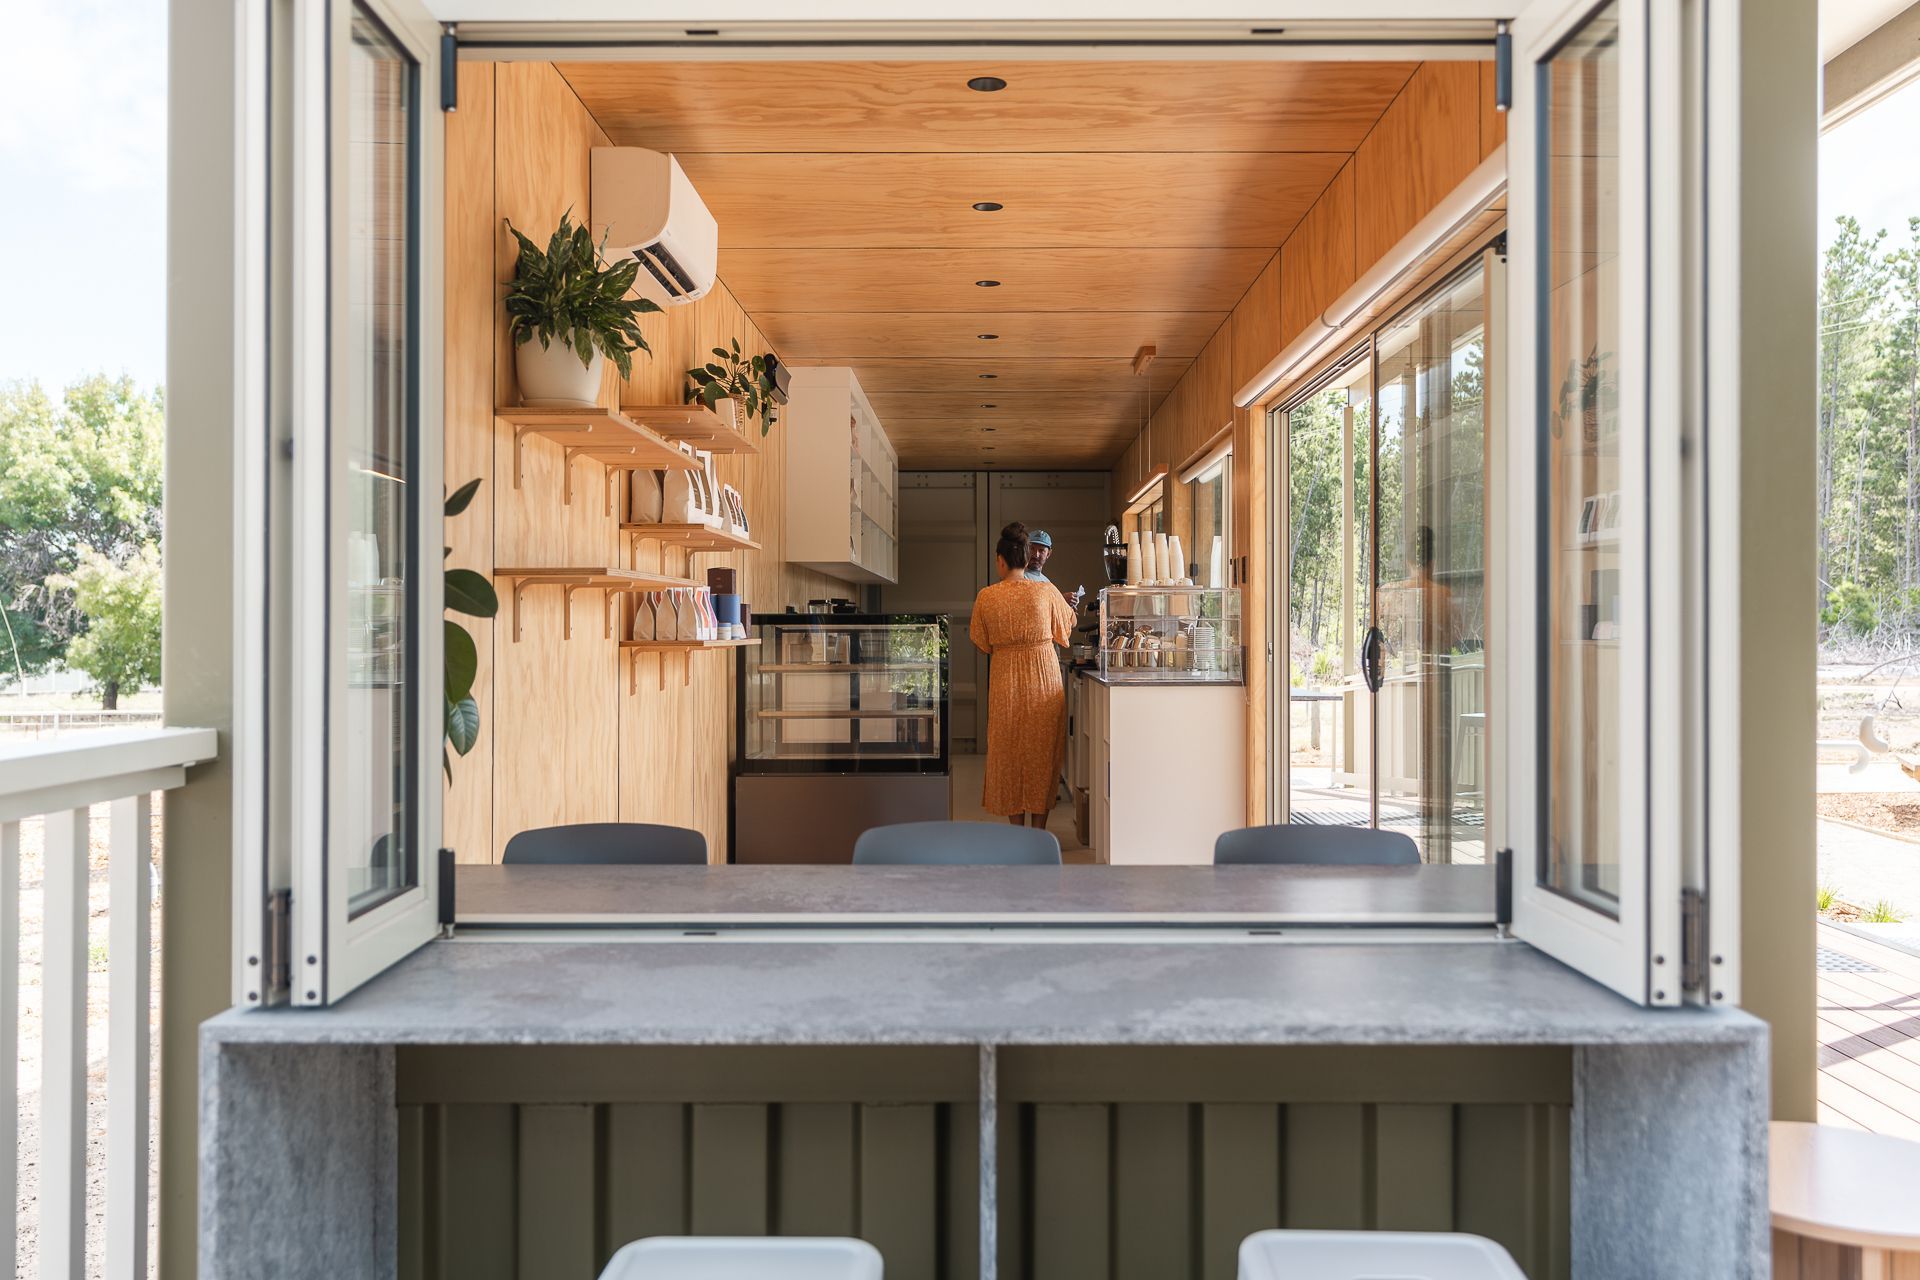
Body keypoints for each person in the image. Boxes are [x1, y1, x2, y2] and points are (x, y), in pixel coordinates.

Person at [970, 522, 1076, 829]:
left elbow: (983, 644)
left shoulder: (987, 597)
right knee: (1043, 754)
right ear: (1026, 558)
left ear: (1001, 560)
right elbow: (1065, 628)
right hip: (1044, 679)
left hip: (1005, 682)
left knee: (1009, 755)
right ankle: (1039, 831)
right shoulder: (1046, 591)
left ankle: (1017, 831)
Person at [1023, 529, 1085, 610]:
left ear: (1048, 554)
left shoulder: (1047, 582)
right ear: (1025, 550)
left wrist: (1066, 608)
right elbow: (1028, 608)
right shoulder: (1019, 577)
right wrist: (1060, 600)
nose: (1036, 555)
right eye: (1032, 549)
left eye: (1041, 550)